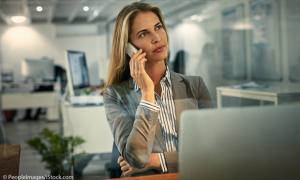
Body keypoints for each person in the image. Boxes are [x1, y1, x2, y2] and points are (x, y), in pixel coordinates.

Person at [103, 2, 211, 177]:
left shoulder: (195, 86)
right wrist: (147, 94)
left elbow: (210, 152)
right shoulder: (115, 95)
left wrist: (156, 160)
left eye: (158, 27)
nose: (157, 38)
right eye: (143, 33)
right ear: (129, 48)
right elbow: (136, 159)